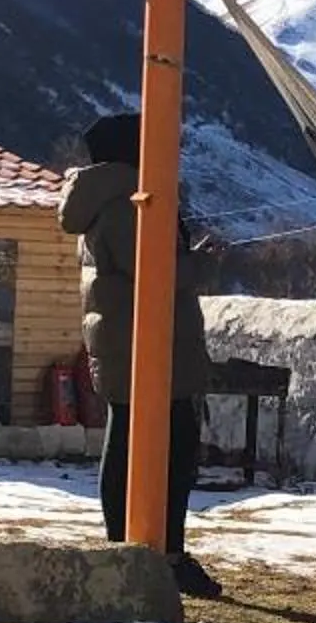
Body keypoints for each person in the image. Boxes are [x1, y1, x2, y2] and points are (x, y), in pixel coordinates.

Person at [59, 112, 219, 597]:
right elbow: (156, 276)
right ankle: (157, 554)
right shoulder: (130, 202)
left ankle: (132, 549)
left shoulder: (102, 198)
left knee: (129, 440)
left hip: (121, 340)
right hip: (147, 344)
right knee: (166, 449)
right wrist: (202, 264)